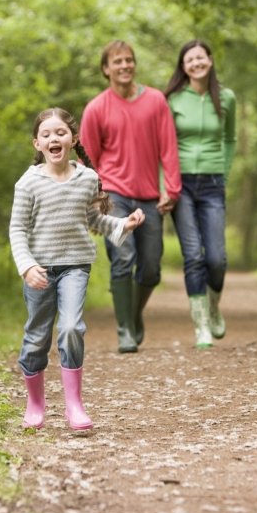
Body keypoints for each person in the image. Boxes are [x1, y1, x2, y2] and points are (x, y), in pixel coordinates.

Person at [9, 107, 145, 431]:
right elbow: (17, 229)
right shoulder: (28, 183)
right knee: (37, 338)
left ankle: (74, 405)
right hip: (39, 270)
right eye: (46, 134)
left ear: (72, 139)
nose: (54, 138)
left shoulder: (87, 178)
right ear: (37, 143)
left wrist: (123, 224)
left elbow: (93, 219)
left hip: (75, 266)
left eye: (60, 133)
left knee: (71, 328)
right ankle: (35, 404)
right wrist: (27, 267)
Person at [80, 40, 181, 353]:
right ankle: (124, 329)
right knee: (123, 258)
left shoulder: (155, 101)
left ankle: (133, 314)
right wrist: (95, 200)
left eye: (129, 60)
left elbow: (169, 147)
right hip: (114, 197)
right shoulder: (96, 108)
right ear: (106, 69)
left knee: (151, 267)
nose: (124, 65)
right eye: (117, 61)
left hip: (150, 197)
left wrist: (172, 189)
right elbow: (87, 160)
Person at [163, 40, 236, 348]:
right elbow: (163, 144)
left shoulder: (227, 97)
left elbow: (230, 138)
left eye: (200, 57)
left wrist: (224, 171)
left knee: (217, 258)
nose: (195, 63)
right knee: (193, 256)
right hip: (180, 185)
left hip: (212, 183)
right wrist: (164, 185)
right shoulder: (173, 99)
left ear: (210, 60)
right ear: (183, 66)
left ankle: (213, 307)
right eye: (189, 59)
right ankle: (201, 326)